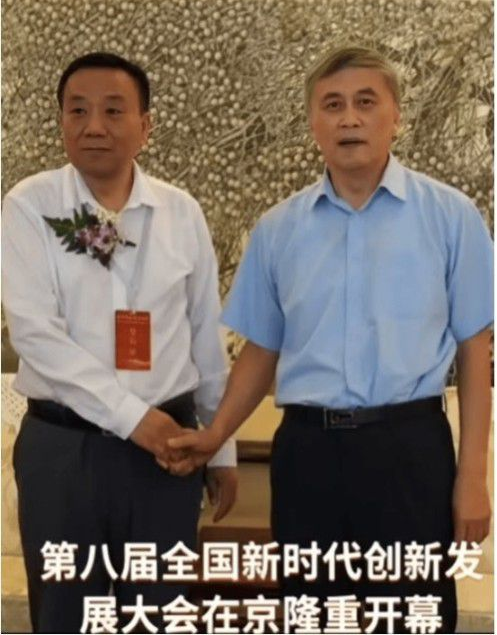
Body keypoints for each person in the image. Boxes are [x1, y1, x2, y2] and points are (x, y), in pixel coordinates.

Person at [169, 46, 493, 633]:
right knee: (315, 616)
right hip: (309, 455)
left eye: (365, 103)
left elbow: (475, 349)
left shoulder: (450, 217)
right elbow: (261, 352)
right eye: (333, 105)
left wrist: (473, 477)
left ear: (396, 116)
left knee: (414, 617)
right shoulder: (278, 230)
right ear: (313, 122)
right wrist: (215, 436)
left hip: (410, 450)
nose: (349, 119)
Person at [2, 52, 237, 634]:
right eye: (77, 111)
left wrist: (220, 448)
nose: (93, 126)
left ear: (145, 125)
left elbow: (205, 333)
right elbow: (36, 335)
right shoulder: (29, 206)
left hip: (170, 452)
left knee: (156, 616)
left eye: (112, 111)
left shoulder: (180, 212)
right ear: (62, 121)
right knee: (64, 617)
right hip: (65, 451)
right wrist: (137, 421)